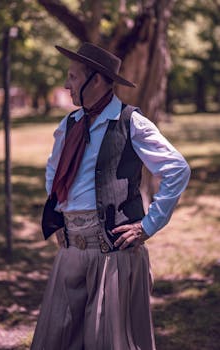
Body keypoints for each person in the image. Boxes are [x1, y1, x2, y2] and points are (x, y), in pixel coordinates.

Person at [31, 42, 190, 350]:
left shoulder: (131, 123)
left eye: (73, 77)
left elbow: (177, 169)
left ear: (98, 80)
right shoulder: (70, 124)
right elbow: (53, 172)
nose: (66, 85)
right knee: (59, 337)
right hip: (70, 251)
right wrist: (60, 214)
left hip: (112, 253)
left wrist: (148, 226)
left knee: (107, 340)